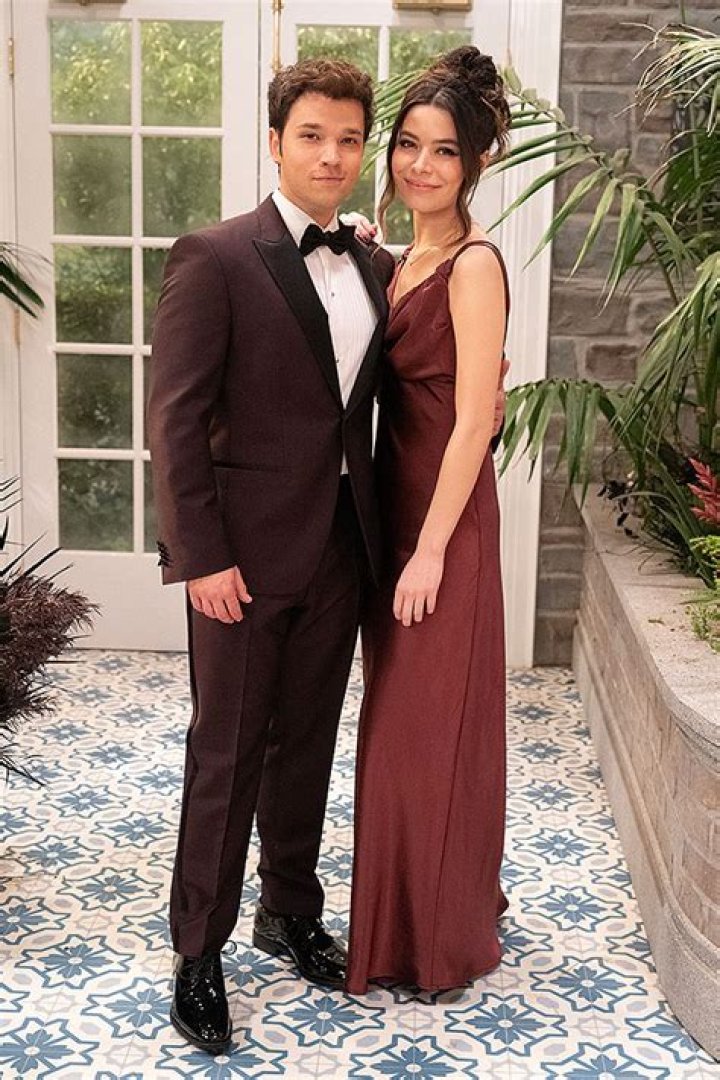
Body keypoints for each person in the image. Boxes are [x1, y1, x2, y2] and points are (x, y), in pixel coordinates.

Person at [147, 58, 397, 1055]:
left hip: (341, 546)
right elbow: (175, 419)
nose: (332, 154)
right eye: (312, 136)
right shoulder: (214, 256)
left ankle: (288, 911)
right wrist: (201, 556)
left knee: (309, 743)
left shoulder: (372, 264)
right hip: (239, 561)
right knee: (228, 750)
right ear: (275, 142)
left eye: (349, 138)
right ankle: (197, 951)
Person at [346, 46, 512, 995]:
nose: (420, 165)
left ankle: (430, 937)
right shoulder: (403, 258)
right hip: (394, 512)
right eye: (408, 144)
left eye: (444, 150)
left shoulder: (475, 266)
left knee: (421, 732)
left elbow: (476, 419)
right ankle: (429, 905)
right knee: (402, 727)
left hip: (443, 526)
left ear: (476, 162)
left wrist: (432, 552)